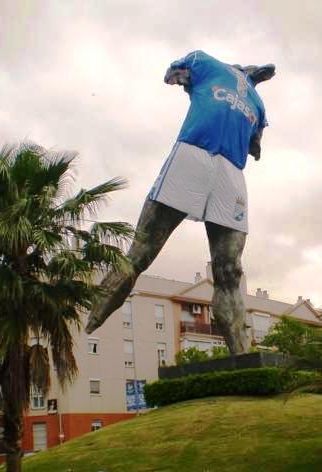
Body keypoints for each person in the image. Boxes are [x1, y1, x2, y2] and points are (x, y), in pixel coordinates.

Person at [86, 50, 275, 354]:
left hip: (231, 172)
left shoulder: (258, 104)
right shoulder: (207, 63)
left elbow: (256, 144)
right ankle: (92, 317)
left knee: (229, 270)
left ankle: (242, 354)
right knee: (144, 249)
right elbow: (172, 73)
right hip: (194, 154)